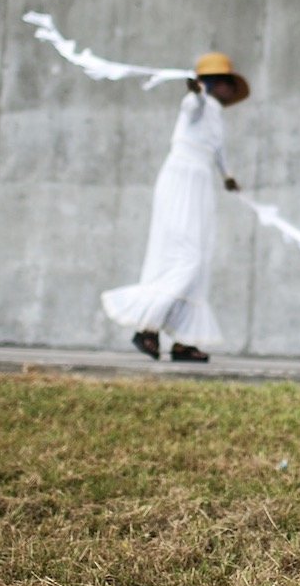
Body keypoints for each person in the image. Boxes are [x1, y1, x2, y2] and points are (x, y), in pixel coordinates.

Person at [102, 52, 248, 363]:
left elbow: (218, 149)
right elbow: (191, 106)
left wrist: (228, 176)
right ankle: (148, 327)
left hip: (200, 182)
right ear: (213, 83)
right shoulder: (196, 104)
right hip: (180, 178)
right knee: (184, 256)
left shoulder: (217, 114)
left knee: (199, 259)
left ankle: (183, 340)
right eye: (226, 83)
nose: (230, 90)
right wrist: (195, 93)